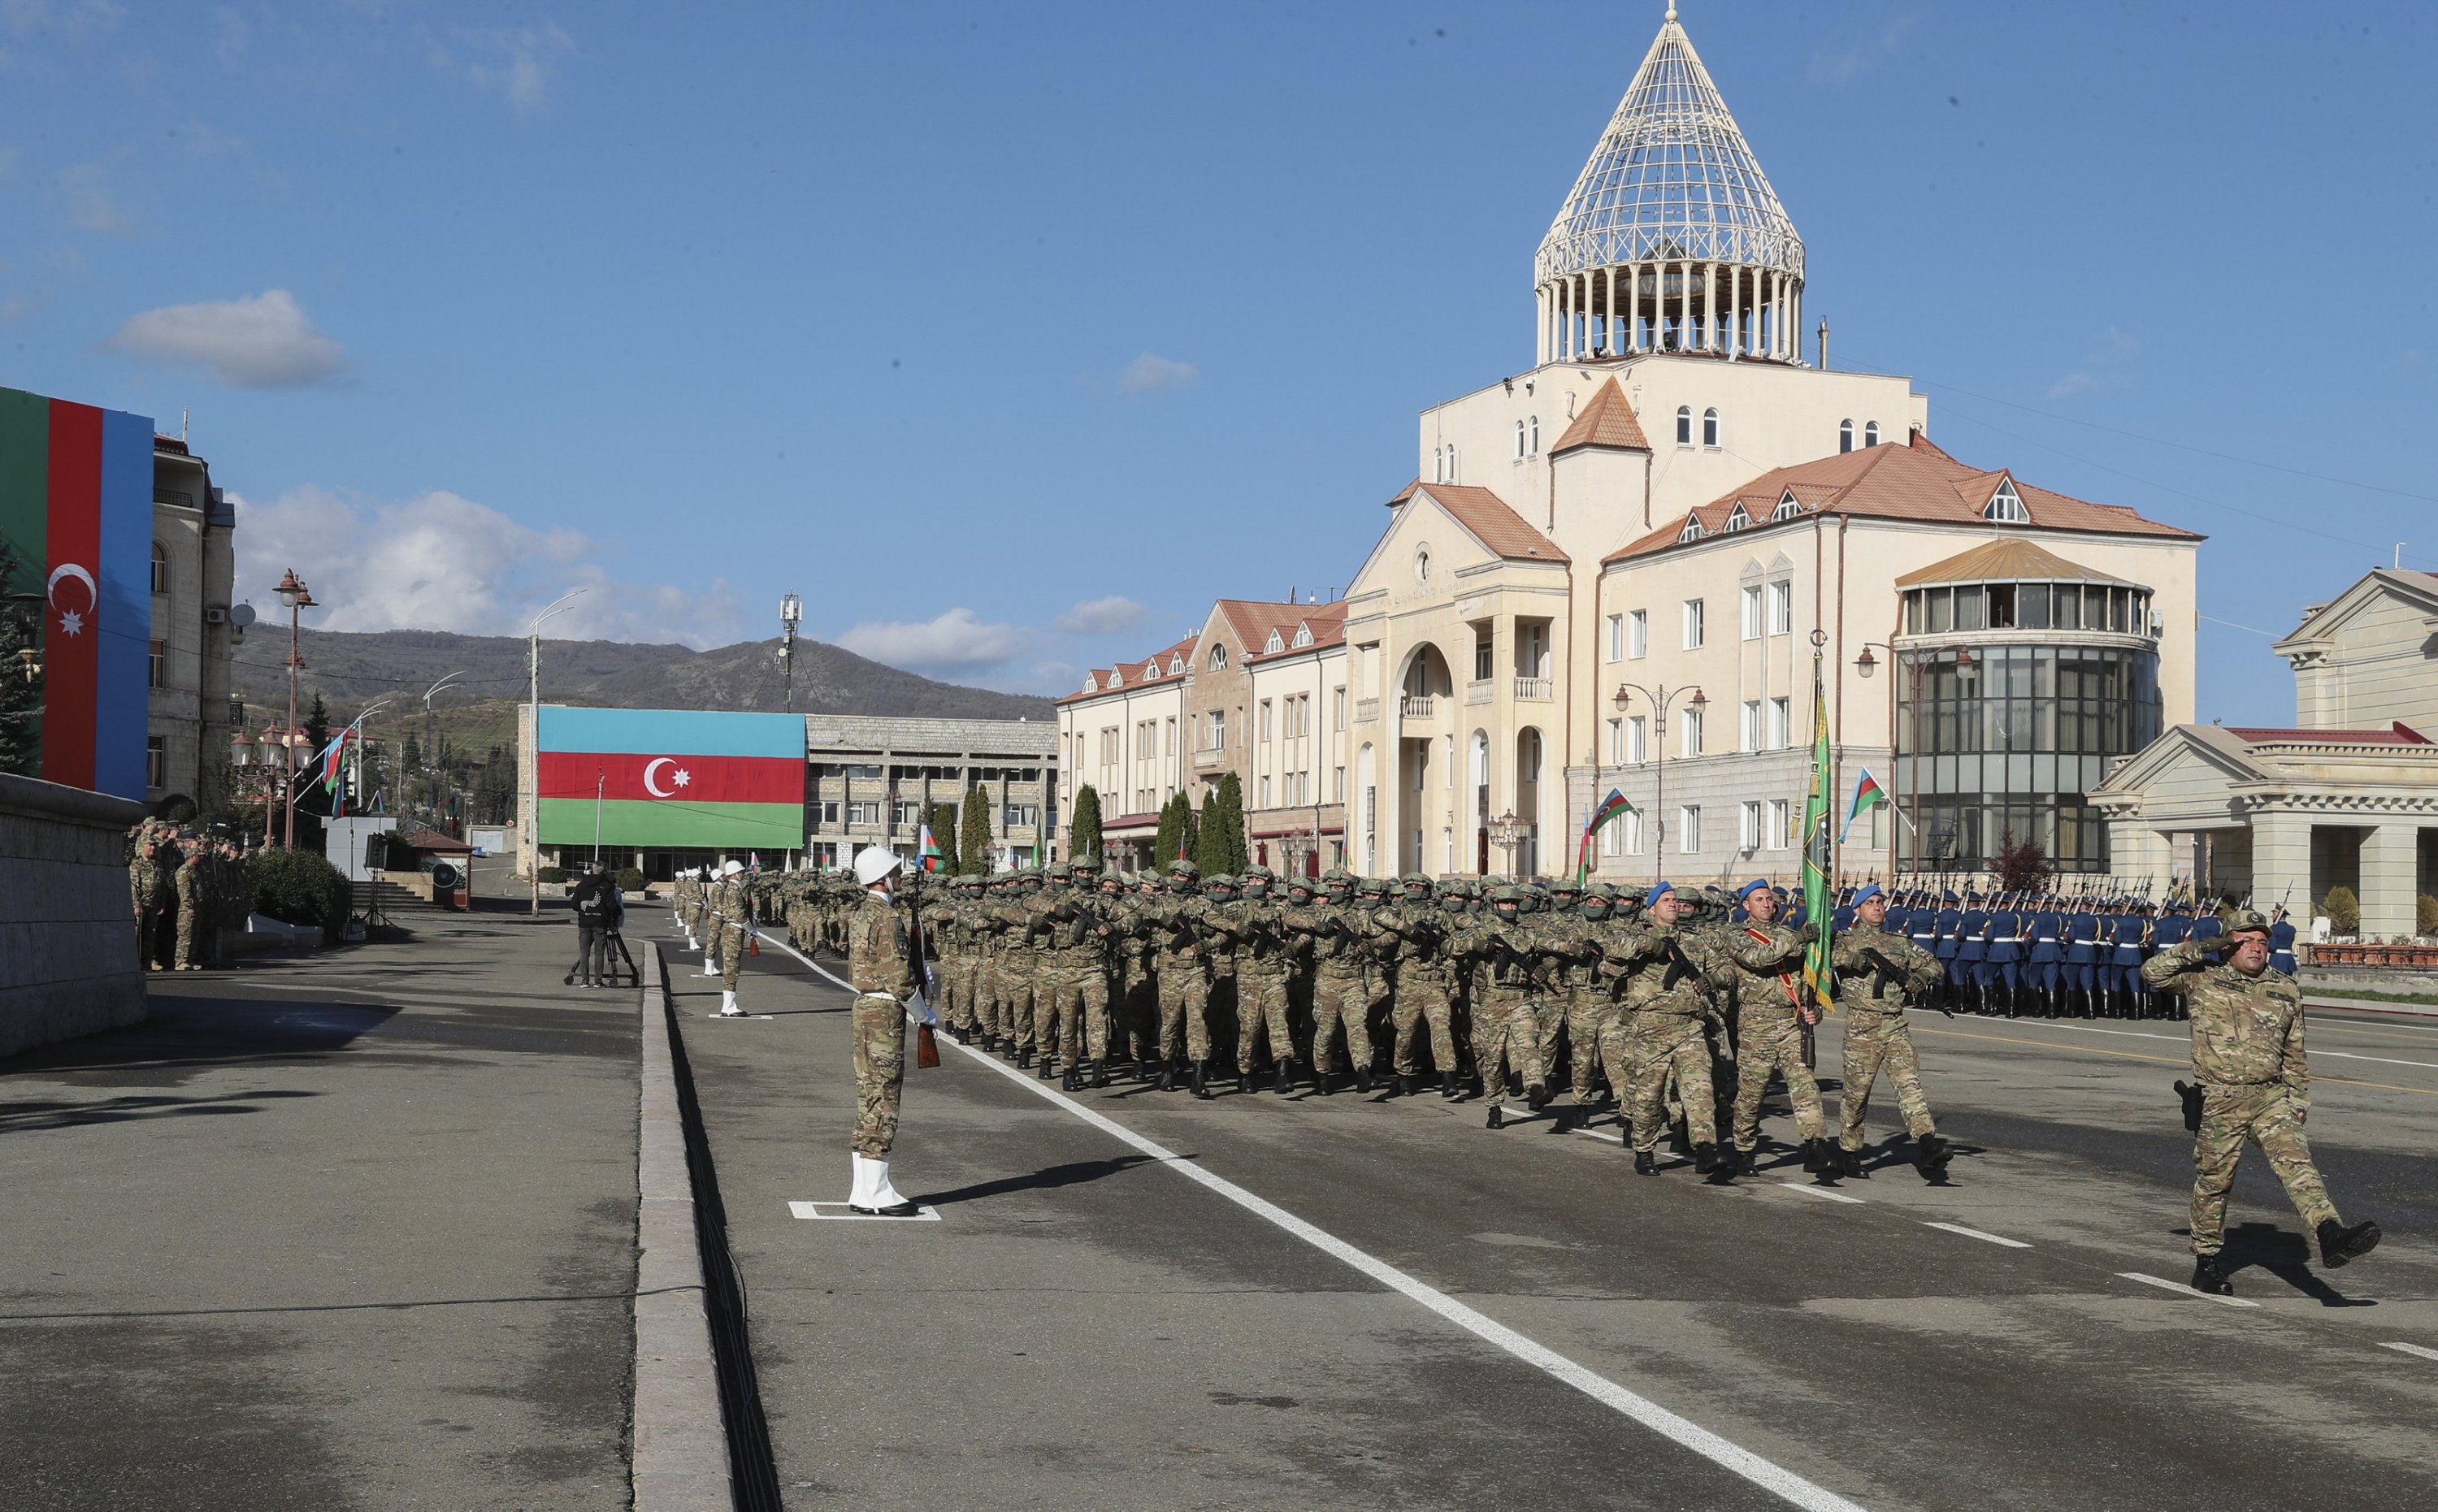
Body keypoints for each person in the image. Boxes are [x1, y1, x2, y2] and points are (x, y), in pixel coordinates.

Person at [2141, 908, 2380, 1294]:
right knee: (2214, 1184)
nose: (2256, 948)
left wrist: (2299, 1098)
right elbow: (2153, 972)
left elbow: (2295, 1050)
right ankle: (2207, 1261)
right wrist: (2208, 945)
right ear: (2230, 944)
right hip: (2220, 1100)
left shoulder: (2284, 988)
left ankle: (2330, 1233)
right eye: (2246, 940)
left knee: (2298, 1165)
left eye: (2262, 942)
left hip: (2270, 1098)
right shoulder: (2203, 979)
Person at [1828, 883, 1949, 1176]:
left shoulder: (1900, 943)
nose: (1878, 907)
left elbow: (1935, 964)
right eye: (1870, 903)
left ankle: (1927, 1142)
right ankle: (1850, 1151)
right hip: (1862, 1027)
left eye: (1880, 902)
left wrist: (1921, 976)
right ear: (1857, 910)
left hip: (1895, 1024)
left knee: (1910, 1086)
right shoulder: (1845, 940)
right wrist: (1853, 961)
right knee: (1857, 1095)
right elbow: (1822, 958)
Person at [1724, 878, 1831, 1175]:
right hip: (1756, 1026)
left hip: (1790, 1024)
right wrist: (1798, 940)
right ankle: (1744, 1149)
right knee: (1751, 1093)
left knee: (1805, 1085)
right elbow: (1758, 959)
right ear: (1746, 905)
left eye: (1769, 899)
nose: (1767, 904)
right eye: (1759, 899)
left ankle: (1815, 1146)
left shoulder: (1790, 935)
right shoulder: (1739, 936)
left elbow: (1809, 980)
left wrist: (1814, 1011)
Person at [846, 847, 923, 1217]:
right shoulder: (888, 917)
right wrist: (924, 1014)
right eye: (896, 872)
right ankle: (876, 1191)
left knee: (869, 1094)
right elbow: (899, 977)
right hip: (884, 1011)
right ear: (883, 876)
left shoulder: (861, 913)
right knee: (885, 1095)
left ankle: (863, 1187)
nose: (900, 878)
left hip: (864, 1007)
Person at [566, 862, 613, 987]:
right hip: (600, 923)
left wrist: (583, 911)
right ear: (603, 871)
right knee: (599, 953)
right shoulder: (606, 886)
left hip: (584, 923)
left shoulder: (582, 885)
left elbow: (574, 904)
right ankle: (598, 981)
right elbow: (611, 905)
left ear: (592, 870)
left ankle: (584, 980)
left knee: (584, 953)